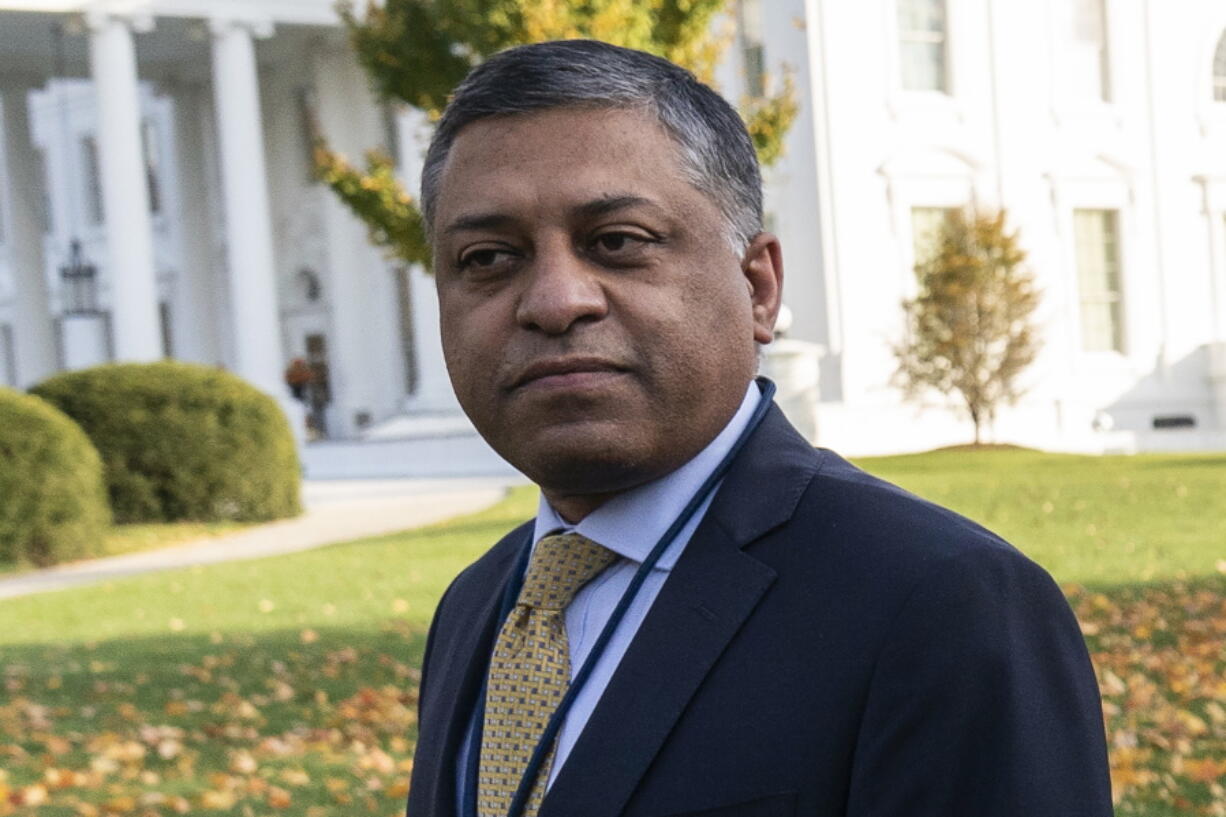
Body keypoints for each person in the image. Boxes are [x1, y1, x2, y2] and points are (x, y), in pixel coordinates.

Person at [407, 39, 1112, 817]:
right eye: (487, 257)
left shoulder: (942, 602)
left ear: (759, 287)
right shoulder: (477, 608)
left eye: (617, 242)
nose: (555, 300)